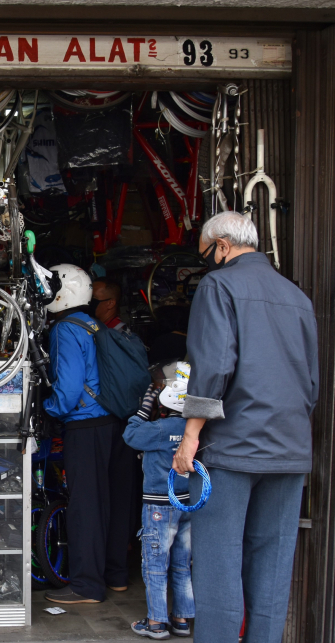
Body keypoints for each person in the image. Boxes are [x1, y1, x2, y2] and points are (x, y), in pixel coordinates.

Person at [172, 212, 318, 643]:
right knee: (272, 570)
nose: (208, 264)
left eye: (206, 255)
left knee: (219, 568)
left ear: (221, 245)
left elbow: (213, 368)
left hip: (232, 450)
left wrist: (191, 436)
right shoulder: (297, 297)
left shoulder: (219, 286)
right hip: (289, 451)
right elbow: (310, 383)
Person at [42, 264, 136, 604]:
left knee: (87, 507)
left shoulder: (66, 330)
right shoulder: (97, 325)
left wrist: (47, 409)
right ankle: (116, 576)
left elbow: (66, 392)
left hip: (86, 427)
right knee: (114, 502)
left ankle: (85, 586)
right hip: (117, 425)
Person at [124, 362, 195, 640]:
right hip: (187, 504)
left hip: (159, 507)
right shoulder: (193, 430)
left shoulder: (159, 428)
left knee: (154, 565)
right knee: (181, 564)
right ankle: (181, 619)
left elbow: (130, 435)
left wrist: (144, 407)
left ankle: (155, 622)